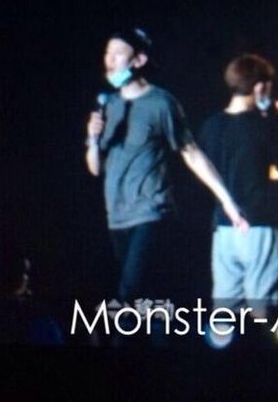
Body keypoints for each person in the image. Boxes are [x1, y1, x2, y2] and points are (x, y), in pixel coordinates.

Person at [85, 28, 248, 305]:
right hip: (117, 215)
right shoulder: (108, 105)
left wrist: (227, 201)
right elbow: (95, 168)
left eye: (118, 54)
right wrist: (92, 138)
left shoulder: (160, 102)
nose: (110, 60)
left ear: (138, 60)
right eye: (107, 53)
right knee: (145, 298)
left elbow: (192, 153)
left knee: (128, 292)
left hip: (151, 211)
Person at [199, 53, 278, 321]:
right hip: (259, 222)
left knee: (225, 312)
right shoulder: (264, 125)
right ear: (260, 87)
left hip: (223, 226)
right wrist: (271, 116)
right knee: (262, 308)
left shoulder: (210, 126)